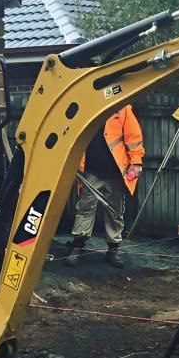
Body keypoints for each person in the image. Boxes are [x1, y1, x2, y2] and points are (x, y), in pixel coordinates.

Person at [66, 104, 144, 268]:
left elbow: (134, 139)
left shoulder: (123, 109)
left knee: (115, 212)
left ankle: (113, 250)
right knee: (85, 208)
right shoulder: (86, 106)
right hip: (91, 171)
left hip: (115, 173)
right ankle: (78, 246)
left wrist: (136, 162)